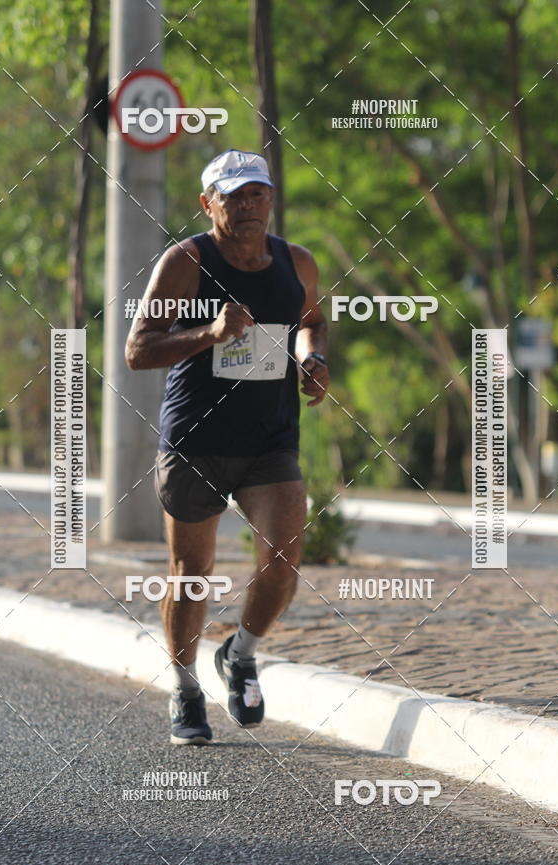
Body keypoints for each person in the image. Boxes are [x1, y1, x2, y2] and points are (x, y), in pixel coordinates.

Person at [125, 149, 328, 744]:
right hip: (197, 437)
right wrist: (209, 333)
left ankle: (241, 654)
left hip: (271, 439)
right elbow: (138, 350)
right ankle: (185, 688)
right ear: (207, 202)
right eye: (234, 196)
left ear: (270, 199)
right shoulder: (185, 262)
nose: (248, 206)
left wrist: (311, 357)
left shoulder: (297, 262)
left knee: (284, 557)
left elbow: (313, 318)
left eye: (257, 194)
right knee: (193, 574)